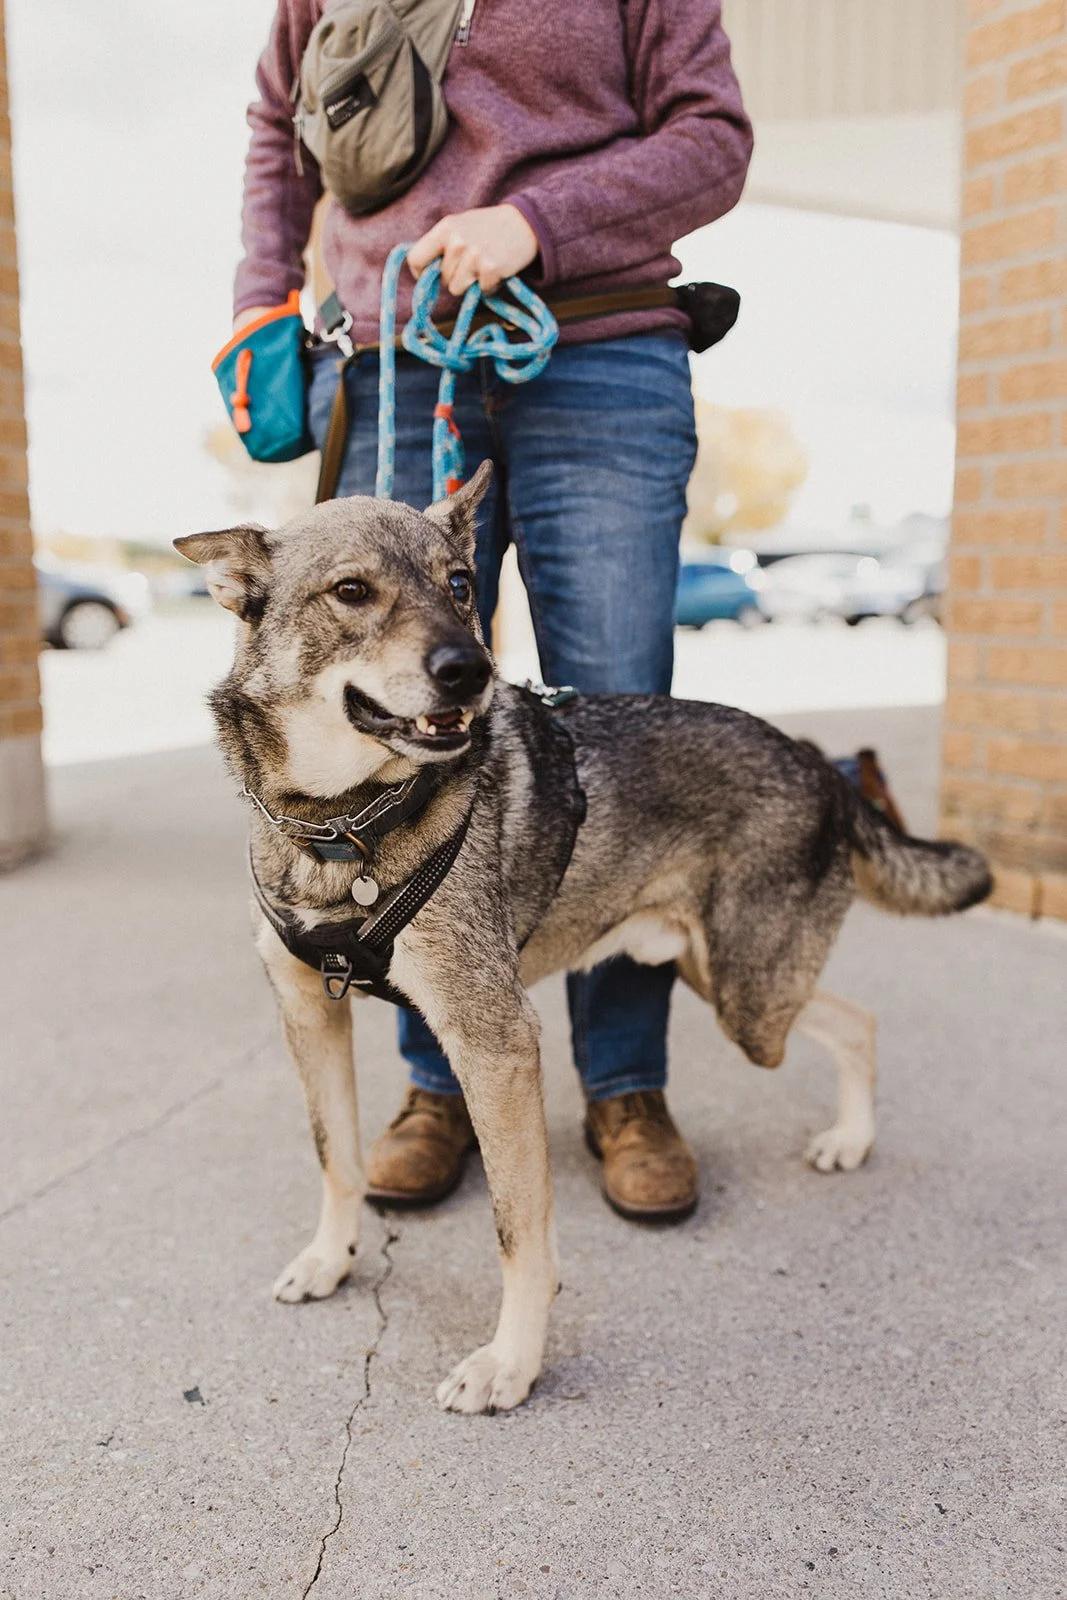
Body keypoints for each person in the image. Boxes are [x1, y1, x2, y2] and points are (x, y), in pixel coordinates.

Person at [234, 0, 754, 1221]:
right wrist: (265, 302)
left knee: (617, 729)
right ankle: (441, 1076)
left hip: (602, 352)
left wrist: (534, 220)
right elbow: (276, 133)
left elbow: (711, 138)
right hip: (396, 359)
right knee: (399, 730)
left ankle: (624, 1083)